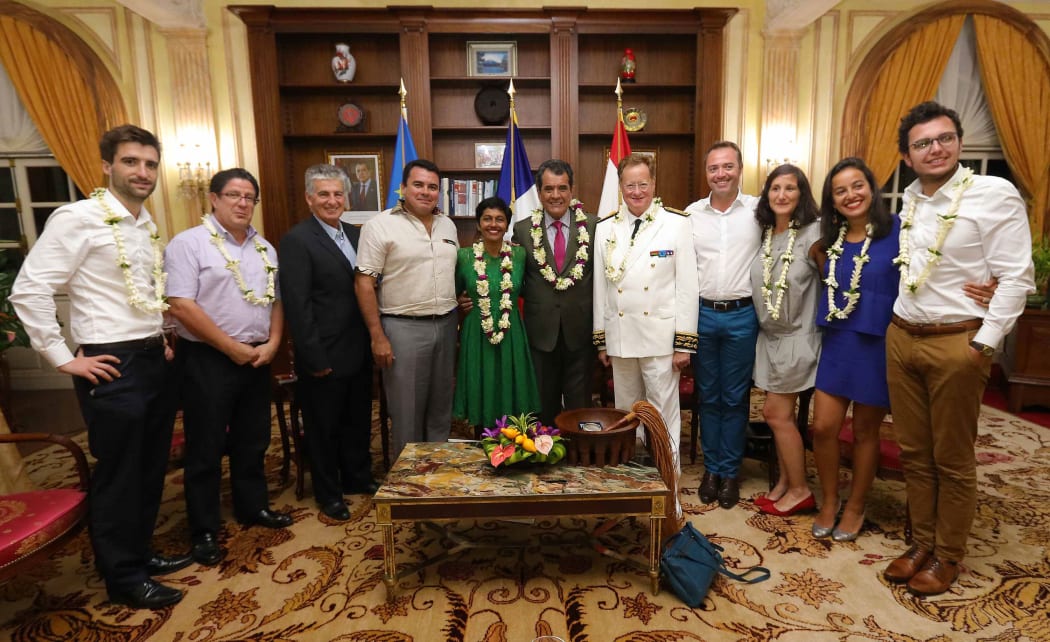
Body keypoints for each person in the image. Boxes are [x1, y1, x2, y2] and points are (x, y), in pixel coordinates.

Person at [10, 125, 189, 609]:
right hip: (111, 362)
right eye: (132, 162)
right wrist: (63, 356)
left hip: (152, 356)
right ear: (107, 166)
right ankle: (123, 576)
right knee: (120, 472)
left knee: (151, 468)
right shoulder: (78, 218)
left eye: (150, 164)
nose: (143, 172)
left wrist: (161, 334)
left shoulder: (146, 224)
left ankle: (141, 552)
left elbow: (141, 293)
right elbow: (29, 289)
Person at [883, 101, 1034, 595]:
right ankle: (921, 544)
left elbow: (1016, 278)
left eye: (944, 138)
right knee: (913, 453)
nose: (936, 148)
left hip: (957, 342)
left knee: (952, 457)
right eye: (923, 142)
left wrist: (982, 345)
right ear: (907, 155)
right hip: (903, 336)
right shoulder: (908, 200)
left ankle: (948, 555)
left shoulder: (993, 193)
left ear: (959, 143)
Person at [165, 168, 291, 567]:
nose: (242, 203)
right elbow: (181, 305)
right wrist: (230, 347)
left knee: (253, 439)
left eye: (249, 197)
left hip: (256, 356)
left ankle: (252, 507)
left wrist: (272, 343)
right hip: (207, 359)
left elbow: (276, 302)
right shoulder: (189, 245)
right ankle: (203, 527)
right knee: (204, 447)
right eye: (234, 195)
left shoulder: (265, 249)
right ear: (214, 199)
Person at [810, 158, 900, 543]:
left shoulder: (898, 230)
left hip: (877, 343)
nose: (851, 195)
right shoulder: (827, 242)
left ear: (871, 187)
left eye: (857, 185)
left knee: (865, 431)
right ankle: (829, 501)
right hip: (839, 341)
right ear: (832, 200)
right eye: (840, 190)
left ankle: (856, 505)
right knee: (824, 427)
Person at [281, 164, 376, 522]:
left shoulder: (355, 235)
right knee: (323, 427)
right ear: (309, 198)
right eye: (324, 194)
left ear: (347, 198)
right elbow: (297, 304)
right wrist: (312, 355)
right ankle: (328, 493)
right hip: (322, 352)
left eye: (338, 194)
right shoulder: (297, 240)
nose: (332, 200)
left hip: (358, 347)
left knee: (356, 419)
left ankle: (357, 477)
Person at [593, 153, 699, 460]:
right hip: (621, 337)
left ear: (653, 184)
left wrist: (684, 343)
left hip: (660, 339)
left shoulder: (676, 224)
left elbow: (687, 288)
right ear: (621, 187)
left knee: (664, 417)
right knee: (626, 416)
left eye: (642, 184)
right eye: (630, 185)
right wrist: (602, 340)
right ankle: (632, 483)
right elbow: (601, 288)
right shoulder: (605, 228)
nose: (636, 192)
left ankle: (670, 489)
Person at [355, 159, 458, 458]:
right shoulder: (380, 225)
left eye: (432, 187)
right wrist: (377, 336)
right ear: (403, 188)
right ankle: (407, 484)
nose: (426, 192)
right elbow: (363, 283)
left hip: (447, 324)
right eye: (418, 184)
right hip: (403, 328)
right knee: (407, 410)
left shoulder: (447, 224)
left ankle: (436, 471)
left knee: (441, 407)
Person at [686, 141, 761, 509]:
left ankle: (729, 471)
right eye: (714, 168)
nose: (721, 174)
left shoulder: (759, 211)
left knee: (734, 398)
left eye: (727, 167)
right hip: (702, 314)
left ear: (740, 168)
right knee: (708, 396)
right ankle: (711, 468)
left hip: (742, 315)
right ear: (706, 173)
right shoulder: (690, 214)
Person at [747, 164, 822, 517]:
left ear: (801, 193)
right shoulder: (766, 234)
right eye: (775, 188)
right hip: (770, 339)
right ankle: (783, 484)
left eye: (790, 188)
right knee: (781, 415)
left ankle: (800, 489)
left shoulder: (814, 235)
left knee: (775, 414)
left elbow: (835, 280)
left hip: (798, 338)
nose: (781, 195)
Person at [512, 159, 597, 425]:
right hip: (540, 332)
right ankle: (547, 458)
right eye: (549, 189)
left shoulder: (594, 227)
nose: (556, 196)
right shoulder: (522, 230)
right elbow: (513, 278)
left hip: (581, 330)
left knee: (579, 404)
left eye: (562, 188)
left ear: (572, 190)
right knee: (542, 403)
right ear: (539, 193)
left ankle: (578, 460)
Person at [453, 197, 540, 430]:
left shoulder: (520, 256)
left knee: (510, 387)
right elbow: (452, 293)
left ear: (507, 225)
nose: (494, 224)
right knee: (481, 384)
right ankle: (484, 441)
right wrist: (461, 300)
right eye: (487, 219)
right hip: (476, 332)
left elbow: (533, 289)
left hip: (510, 331)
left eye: (500, 219)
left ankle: (514, 443)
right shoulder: (464, 257)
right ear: (479, 224)